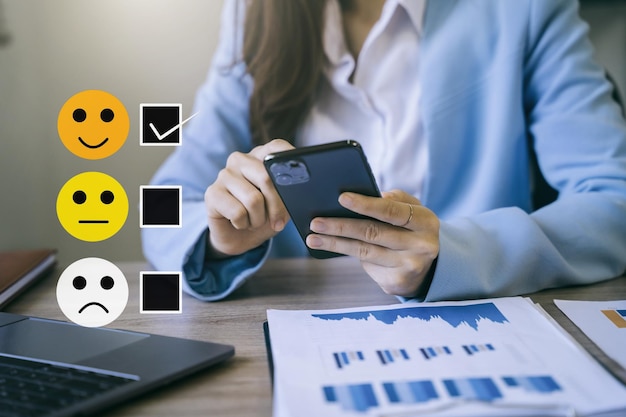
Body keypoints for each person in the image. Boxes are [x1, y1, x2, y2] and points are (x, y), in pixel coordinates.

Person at [142, 0, 626, 302]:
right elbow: (161, 206)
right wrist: (217, 241)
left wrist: (454, 256)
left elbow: (614, 201)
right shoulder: (254, 12)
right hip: (293, 331)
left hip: (476, 323)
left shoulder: (526, 9)